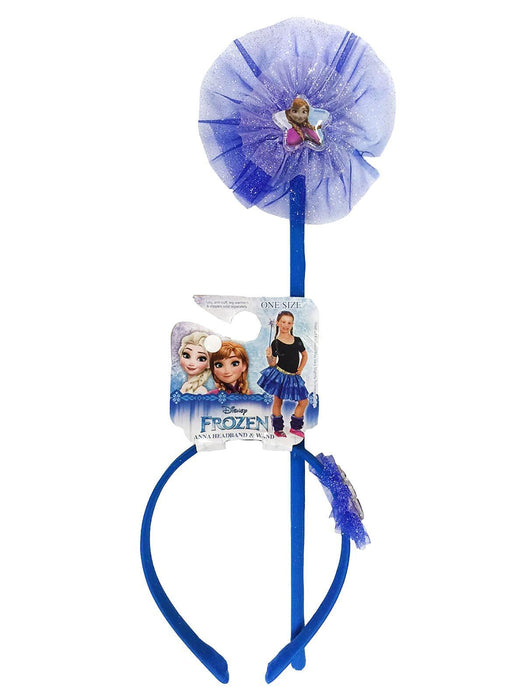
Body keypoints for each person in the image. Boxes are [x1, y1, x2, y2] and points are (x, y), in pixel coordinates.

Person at [257, 311, 308, 438]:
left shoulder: (297, 340)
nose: (286, 325)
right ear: (278, 323)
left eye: (289, 323)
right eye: (283, 322)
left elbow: (305, 355)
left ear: (292, 324)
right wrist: (269, 356)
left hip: (293, 376)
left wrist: (300, 369)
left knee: (303, 401)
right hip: (280, 375)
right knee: (278, 401)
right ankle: (278, 428)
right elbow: (272, 364)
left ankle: (295, 427)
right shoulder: (276, 343)